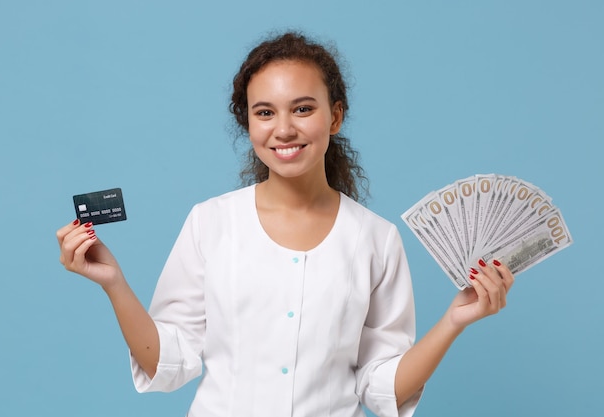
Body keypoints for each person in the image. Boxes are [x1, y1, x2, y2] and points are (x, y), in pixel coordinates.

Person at [56, 31, 514, 417]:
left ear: (334, 116)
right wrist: (114, 284)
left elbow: (382, 389)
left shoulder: (376, 238)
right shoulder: (211, 222)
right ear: (248, 122)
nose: (284, 129)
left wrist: (453, 321)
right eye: (265, 112)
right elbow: (168, 363)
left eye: (302, 108)